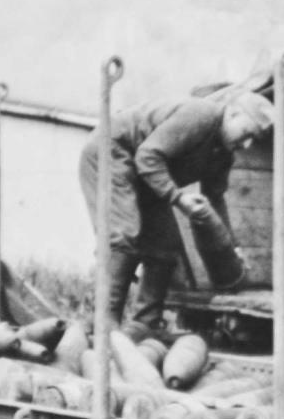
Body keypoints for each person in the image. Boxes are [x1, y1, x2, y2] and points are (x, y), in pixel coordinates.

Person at [78, 91, 274, 334]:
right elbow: (148, 156)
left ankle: (145, 326)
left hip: (144, 173)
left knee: (166, 247)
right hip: (112, 152)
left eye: (253, 140)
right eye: (247, 134)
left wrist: (231, 246)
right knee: (123, 234)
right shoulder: (200, 116)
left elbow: (216, 199)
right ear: (233, 113)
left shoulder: (223, 154)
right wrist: (178, 197)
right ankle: (103, 323)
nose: (246, 145)